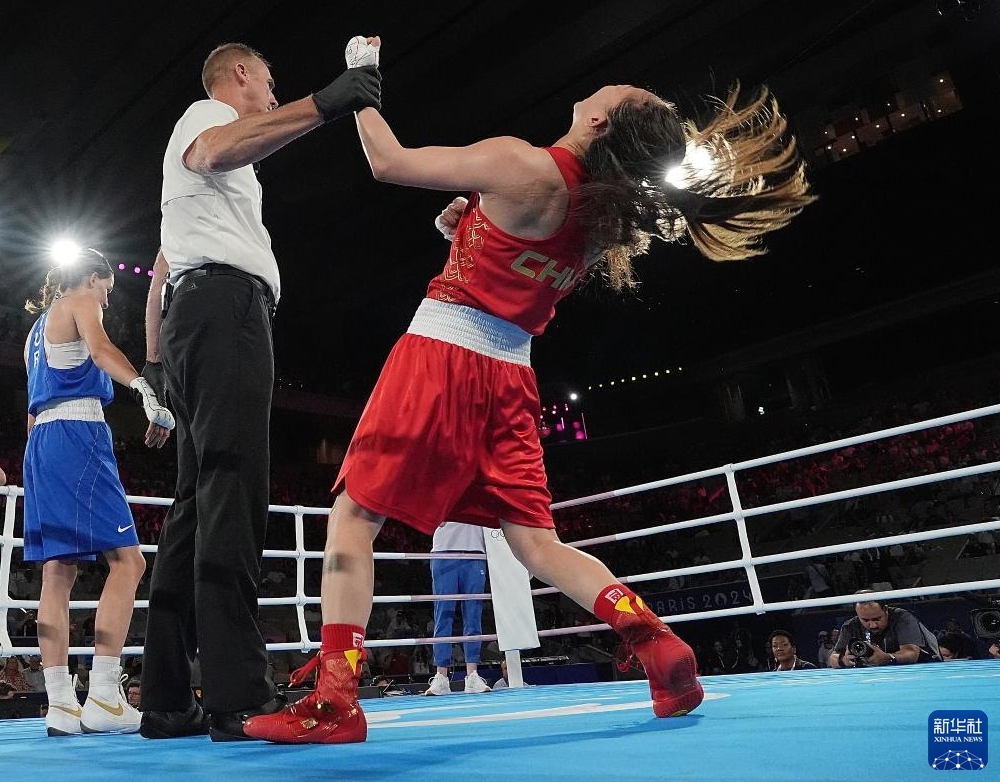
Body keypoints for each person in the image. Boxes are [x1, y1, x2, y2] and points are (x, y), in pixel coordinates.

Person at [245, 34, 814, 744]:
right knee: (538, 545)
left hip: (442, 357)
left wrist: (359, 85)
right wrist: (465, 226)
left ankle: (335, 702)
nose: (614, 85)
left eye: (622, 92)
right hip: (511, 376)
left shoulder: (524, 163)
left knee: (354, 517)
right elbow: (514, 269)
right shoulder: (599, 215)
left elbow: (387, 162)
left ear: (602, 122)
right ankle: (659, 645)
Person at [137, 42, 380, 743]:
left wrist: (157, 363)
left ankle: (165, 698)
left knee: (194, 502)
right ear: (239, 74)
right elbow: (218, 150)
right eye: (270, 84)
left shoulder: (203, 196)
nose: (274, 99)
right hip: (222, 314)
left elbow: (159, 269)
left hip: (194, 318)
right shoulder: (205, 117)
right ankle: (237, 695)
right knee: (232, 490)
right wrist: (330, 101)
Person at [21, 249, 175, 736]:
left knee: (58, 572)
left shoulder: (33, 335)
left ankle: (61, 704)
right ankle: (106, 694)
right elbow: (103, 348)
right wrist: (144, 389)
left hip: (41, 444)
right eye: (107, 291)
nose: (106, 301)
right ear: (91, 279)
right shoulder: (79, 300)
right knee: (129, 562)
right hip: (78, 436)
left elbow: (32, 410)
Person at [424, 521, 491, 695]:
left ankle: (472, 675)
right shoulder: (437, 491)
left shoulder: (482, 491)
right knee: (443, 615)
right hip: (443, 551)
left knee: (473, 615)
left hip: (475, 552)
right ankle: (441, 676)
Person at [829, 590, 941, 668]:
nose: (873, 625)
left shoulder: (903, 618)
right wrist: (844, 660)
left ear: (886, 610)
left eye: (877, 619)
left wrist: (888, 658)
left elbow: (911, 653)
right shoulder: (850, 626)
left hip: (926, 668)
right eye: (865, 620)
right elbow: (833, 658)